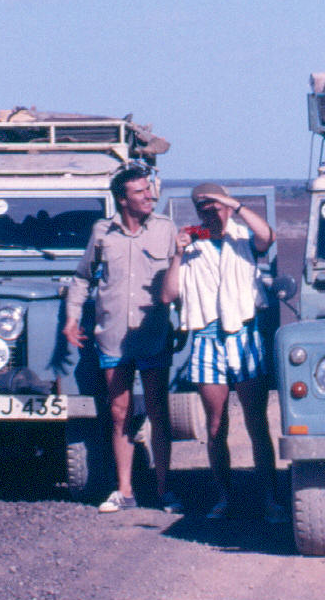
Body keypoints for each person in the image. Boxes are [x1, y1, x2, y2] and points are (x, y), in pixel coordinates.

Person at [165, 183, 286, 523]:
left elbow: (268, 237)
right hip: (206, 336)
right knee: (216, 424)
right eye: (203, 208)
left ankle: (269, 498)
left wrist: (233, 204)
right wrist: (176, 255)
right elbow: (167, 295)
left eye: (216, 206)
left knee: (256, 421)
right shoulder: (191, 243)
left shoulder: (242, 237)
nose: (211, 213)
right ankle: (225, 497)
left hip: (243, 333)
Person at [63, 165, 181, 513]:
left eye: (150, 189)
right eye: (141, 192)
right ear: (122, 198)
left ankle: (164, 490)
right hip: (112, 336)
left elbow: (182, 273)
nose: (150, 196)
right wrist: (71, 319)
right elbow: (82, 278)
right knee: (119, 413)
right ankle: (124, 491)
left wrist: (186, 320)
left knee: (158, 411)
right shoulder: (102, 232)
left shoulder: (166, 229)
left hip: (153, 336)